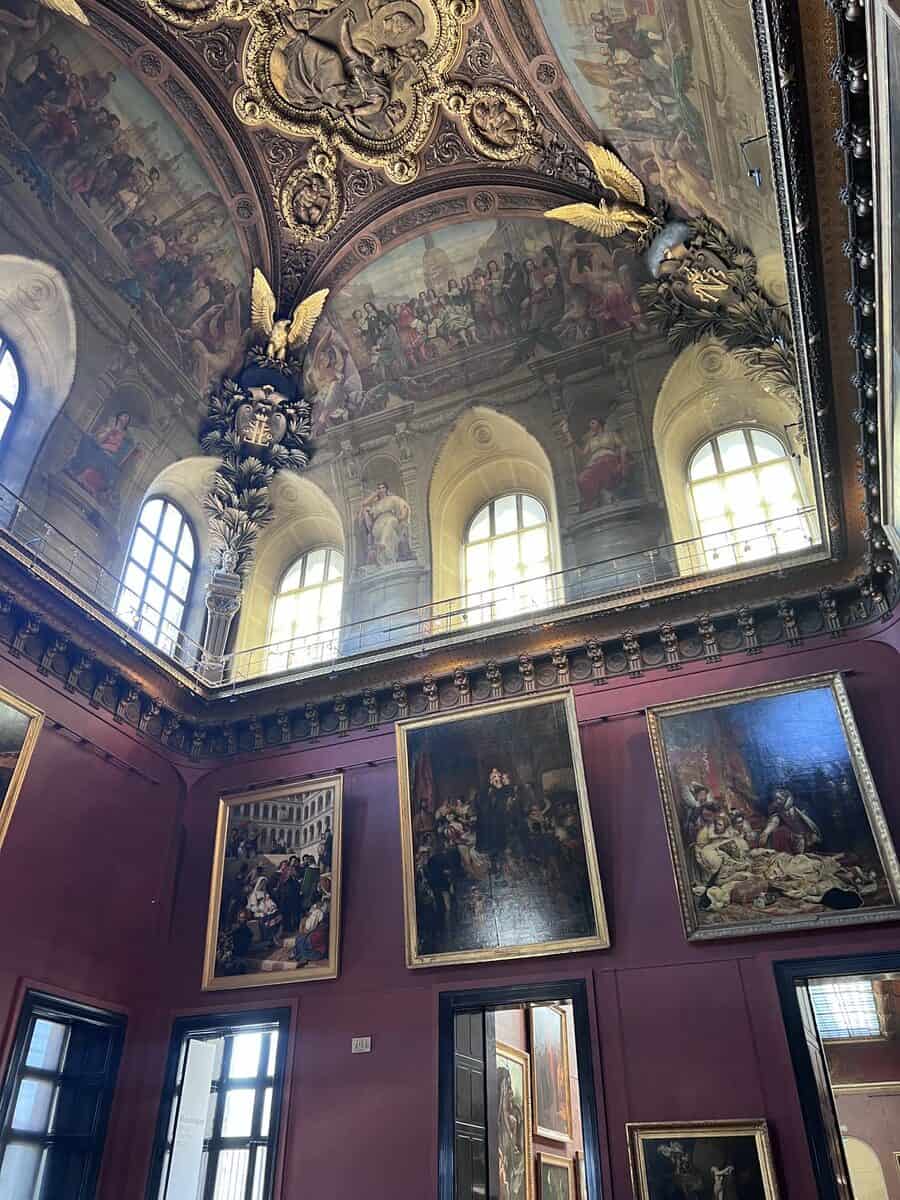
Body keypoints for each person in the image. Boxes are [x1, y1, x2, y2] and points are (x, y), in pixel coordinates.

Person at [563, 416, 628, 511]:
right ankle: (593, 501)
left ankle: (608, 493)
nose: (591, 425)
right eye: (590, 424)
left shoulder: (611, 434)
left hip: (609, 460)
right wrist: (570, 439)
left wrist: (623, 461)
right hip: (594, 463)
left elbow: (622, 446)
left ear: (599, 423)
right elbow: (583, 453)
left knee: (603, 465)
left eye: (593, 423)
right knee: (582, 478)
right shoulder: (591, 440)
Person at [358, 481, 412, 566]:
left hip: (391, 518)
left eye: (383, 488)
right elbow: (364, 504)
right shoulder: (376, 504)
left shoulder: (393, 498)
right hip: (378, 523)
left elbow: (404, 506)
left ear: (386, 489)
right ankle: (384, 555)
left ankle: (383, 544)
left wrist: (401, 517)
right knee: (382, 528)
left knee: (390, 522)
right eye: (379, 488)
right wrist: (374, 494)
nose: (381, 490)